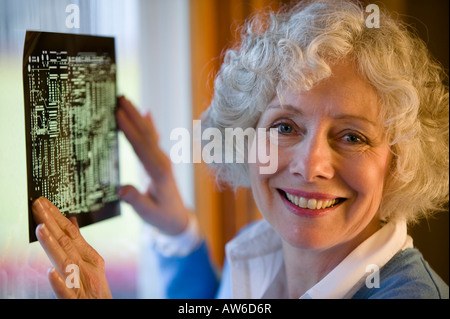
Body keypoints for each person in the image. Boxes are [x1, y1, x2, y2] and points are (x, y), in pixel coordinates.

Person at [32, 0, 449, 299]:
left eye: (353, 137)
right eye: (285, 126)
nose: (311, 165)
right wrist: (178, 231)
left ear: (399, 162)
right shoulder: (261, 247)